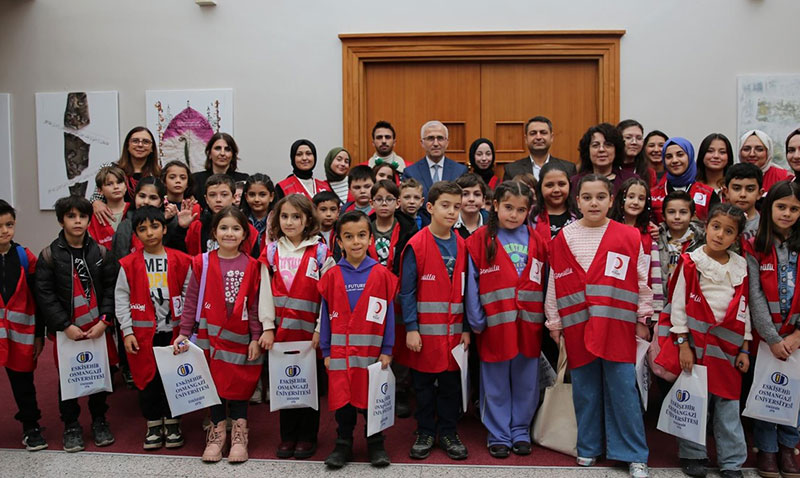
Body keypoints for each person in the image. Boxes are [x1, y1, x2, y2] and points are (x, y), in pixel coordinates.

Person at [545, 174, 651, 478]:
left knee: (623, 390)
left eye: (601, 197)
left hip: (617, 325)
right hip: (578, 326)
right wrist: (554, 321)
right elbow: (555, 282)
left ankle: (633, 453)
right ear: (577, 202)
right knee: (585, 390)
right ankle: (589, 447)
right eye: (587, 197)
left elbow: (642, 282)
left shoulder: (629, 236)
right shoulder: (563, 237)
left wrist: (643, 318)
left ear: (611, 201)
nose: (594, 203)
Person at [655, 203, 751, 478]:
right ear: (706, 227)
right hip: (695, 345)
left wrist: (745, 346)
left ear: (736, 237)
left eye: (728, 231)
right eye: (716, 227)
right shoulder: (690, 262)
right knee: (695, 401)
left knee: (728, 405)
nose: (720, 235)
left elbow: (744, 309)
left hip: (728, 348)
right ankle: (693, 455)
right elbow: (678, 306)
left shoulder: (741, 266)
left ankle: (732, 461)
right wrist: (682, 343)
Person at [465, 181, 547, 458]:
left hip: (529, 323)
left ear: (528, 211)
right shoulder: (478, 240)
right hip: (494, 324)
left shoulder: (537, 239)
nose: (514, 214)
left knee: (526, 380)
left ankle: (520, 430)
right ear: (496, 205)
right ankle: (498, 433)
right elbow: (471, 284)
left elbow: (545, 282)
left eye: (520, 210)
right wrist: (476, 319)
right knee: (495, 381)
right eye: (508, 207)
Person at [175, 206, 263, 463]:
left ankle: (239, 434)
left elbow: (255, 304)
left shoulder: (253, 265)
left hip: (240, 337)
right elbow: (191, 299)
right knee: (212, 385)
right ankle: (217, 433)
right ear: (214, 231)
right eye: (223, 227)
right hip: (209, 336)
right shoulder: (201, 262)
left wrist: (256, 337)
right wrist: (184, 331)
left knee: (239, 385)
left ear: (245, 234)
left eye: (236, 228)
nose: (229, 233)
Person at [35, 195, 117, 453]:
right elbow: (45, 295)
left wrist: (105, 320)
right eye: (71, 216)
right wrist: (64, 325)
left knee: (99, 375)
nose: (78, 221)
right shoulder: (49, 255)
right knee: (69, 378)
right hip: (68, 331)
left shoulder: (101, 252)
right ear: (61, 220)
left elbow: (111, 289)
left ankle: (99, 419)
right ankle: (71, 424)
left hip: (97, 327)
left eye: (82, 216)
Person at [258, 194, 335, 459]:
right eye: (284, 216)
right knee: (285, 384)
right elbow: (264, 291)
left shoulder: (320, 251)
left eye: (296, 216)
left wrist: (319, 330)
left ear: (308, 220)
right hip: (280, 333)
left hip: (308, 335)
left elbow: (327, 296)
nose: (290, 222)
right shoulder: (271, 251)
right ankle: (287, 435)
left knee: (307, 385)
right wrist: (267, 326)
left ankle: (307, 436)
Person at [319, 211, 398, 469]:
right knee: (344, 401)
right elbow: (326, 317)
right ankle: (343, 443)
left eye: (362, 235)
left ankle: (375, 443)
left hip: (370, 353)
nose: (356, 242)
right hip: (340, 355)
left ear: (370, 238)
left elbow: (389, 317)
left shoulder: (381, 274)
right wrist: (326, 351)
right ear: (339, 242)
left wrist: (387, 349)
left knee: (371, 399)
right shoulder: (331, 276)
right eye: (349, 237)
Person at [399, 181, 470, 461]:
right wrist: (411, 329)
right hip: (424, 337)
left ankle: (449, 431)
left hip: (453, 336)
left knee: (451, 386)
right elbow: (407, 291)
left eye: (456, 206)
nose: (452, 212)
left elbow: (468, 292)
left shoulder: (462, 244)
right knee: (424, 388)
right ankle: (426, 430)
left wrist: (466, 329)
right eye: (445, 205)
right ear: (430, 208)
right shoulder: (416, 244)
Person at [115, 206, 192, 450]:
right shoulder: (128, 264)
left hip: (174, 333)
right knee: (147, 381)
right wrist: (127, 331)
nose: (149, 233)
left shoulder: (180, 260)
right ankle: (153, 423)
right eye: (142, 229)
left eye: (154, 226)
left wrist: (188, 331)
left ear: (164, 228)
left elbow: (190, 295)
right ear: (136, 234)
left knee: (172, 378)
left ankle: (172, 422)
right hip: (142, 336)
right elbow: (121, 299)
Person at [747, 180, 800, 478]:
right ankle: (766, 450)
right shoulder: (756, 245)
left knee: (795, 395)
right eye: (781, 207)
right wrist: (772, 337)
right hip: (766, 339)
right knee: (768, 393)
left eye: (794, 209)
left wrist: (796, 336)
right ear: (769, 209)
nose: (787, 213)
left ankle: (788, 449)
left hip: (796, 338)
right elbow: (754, 295)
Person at [0, 200, 47, 451]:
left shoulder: (24, 256)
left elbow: (38, 298)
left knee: (23, 383)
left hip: (21, 334)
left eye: (9, 224)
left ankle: (31, 426)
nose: (4, 231)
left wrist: (39, 334)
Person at [610, 177, 664, 315]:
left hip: (640, 303)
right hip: (612, 299)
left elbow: (655, 273)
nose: (635, 202)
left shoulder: (650, 233)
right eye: (631, 196)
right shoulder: (609, 228)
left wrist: (654, 310)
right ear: (621, 198)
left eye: (641, 198)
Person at [92, 127, 161, 226]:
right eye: (135, 141)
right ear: (127, 146)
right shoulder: (110, 168)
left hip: (147, 225)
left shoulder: (157, 174)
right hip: (113, 222)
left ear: (152, 148)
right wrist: (95, 202)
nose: (140, 145)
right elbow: (96, 196)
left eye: (146, 142)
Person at [185, 175, 258, 257]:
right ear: (206, 199)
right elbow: (190, 258)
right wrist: (181, 228)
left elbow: (253, 263)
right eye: (212, 195)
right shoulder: (196, 227)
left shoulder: (247, 229)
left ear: (234, 198)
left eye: (224, 195)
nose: (218, 200)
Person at [650, 137, 718, 224]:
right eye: (669, 157)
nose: (674, 160)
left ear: (689, 156)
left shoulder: (708, 194)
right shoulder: (653, 194)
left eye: (680, 154)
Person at [402, 120, 468, 200]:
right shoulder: (411, 172)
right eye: (430, 138)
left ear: (447, 142)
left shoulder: (460, 171)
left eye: (440, 138)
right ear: (422, 143)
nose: (436, 143)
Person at [571, 123, 637, 197]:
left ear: (616, 149)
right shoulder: (575, 182)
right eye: (595, 145)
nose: (601, 149)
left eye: (608, 145)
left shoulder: (631, 180)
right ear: (588, 150)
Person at [503, 116, 576, 181]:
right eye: (533, 133)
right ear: (526, 139)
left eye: (543, 133)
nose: (538, 137)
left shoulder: (568, 168)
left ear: (551, 137)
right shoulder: (511, 170)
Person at [656, 191, 705, 287]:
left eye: (683, 212)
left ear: (692, 215)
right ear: (663, 216)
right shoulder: (655, 239)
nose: (677, 217)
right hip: (660, 297)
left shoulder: (701, 241)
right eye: (671, 212)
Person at [191, 133, 249, 211]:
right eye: (218, 148)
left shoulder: (243, 179)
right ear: (209, 154)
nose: (222, 153)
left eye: (227, 149)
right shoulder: (195, 180)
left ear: (233, 155)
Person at [369, 180, 415, 275]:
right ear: (371, 203)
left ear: (398, 203)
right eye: (379, 199)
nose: (384, 203)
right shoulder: (365, 228)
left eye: (389, 199)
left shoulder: (408, 230)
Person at [530, 161, 578, 244]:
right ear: (540, 187)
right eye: (549, 185)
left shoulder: (579, 213)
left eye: (562, 184)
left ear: (569, 186)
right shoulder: (530, 215)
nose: (556, 190)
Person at [88, 165, 129, 249]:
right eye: (109, 184)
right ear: (100, 191)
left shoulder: (134, 210)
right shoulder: (94, 216)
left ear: (125, 186)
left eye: (119, 182)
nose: (116, 187)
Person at [722, 163, 763, 241]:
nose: (743, 194)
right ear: (726, 192)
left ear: (759, 193)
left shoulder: (765, 225)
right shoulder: (717, 222)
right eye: (737, 188)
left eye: (750, 189)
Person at [239, 174, 276, 254]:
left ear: (271, 196)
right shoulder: (239, 220)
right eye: (252, 195)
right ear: (246, 197)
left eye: (262, 195)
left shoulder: (278, 221)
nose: (256, 199)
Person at [617, 119, 656, 188]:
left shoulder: (649, 173)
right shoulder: (608, 169)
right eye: (628, 137)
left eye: (639, 138)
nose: (634, 142)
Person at [454, 173, 489, 239]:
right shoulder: (449, 223)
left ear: (483, 200)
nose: (471, 199)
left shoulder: (492, 223)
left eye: (477, 194)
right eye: (465, 194)